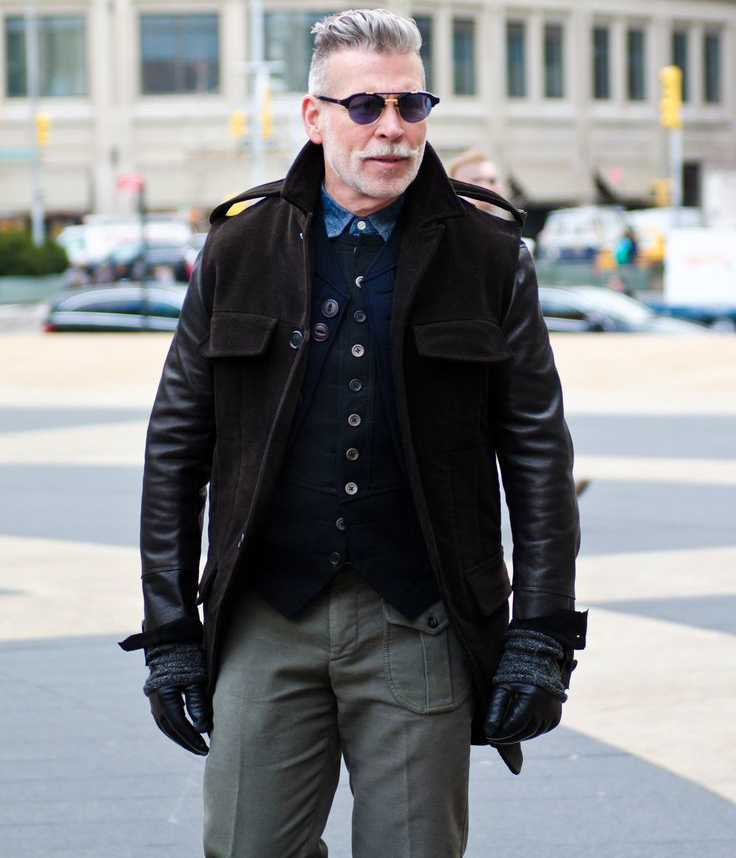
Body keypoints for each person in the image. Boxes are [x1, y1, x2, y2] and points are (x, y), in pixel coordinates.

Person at [120, 9, 586, 857]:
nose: (392, 128)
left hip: (421, 619)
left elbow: (538, 460)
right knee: (245, 847)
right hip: (266, 615)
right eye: (366, 105)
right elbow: (175, 450)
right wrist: (170, 634)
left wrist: (542, 634)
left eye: (412, 104)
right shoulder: (238, 247)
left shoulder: (490, 256)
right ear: (315, 116)